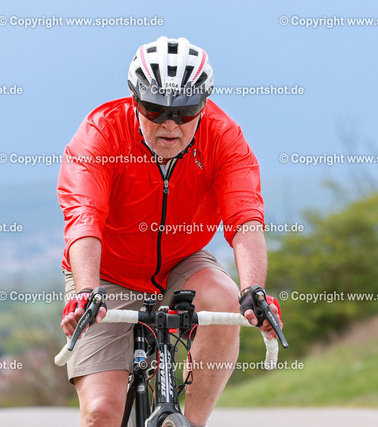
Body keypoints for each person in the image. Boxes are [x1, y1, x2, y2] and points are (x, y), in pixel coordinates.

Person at [57, 36, 282, 427]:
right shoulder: (101, 134)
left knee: (225, 299)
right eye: (155, 108)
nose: (169, 124)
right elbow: (84, 216)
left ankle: (191, 423)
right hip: (108, 272)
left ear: (204, 104)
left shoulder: (223, 137)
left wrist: (254, 289)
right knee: (101, 413)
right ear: (134, 100)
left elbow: (245, 217)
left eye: (185, 110)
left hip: (183, 260)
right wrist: (87, 290)